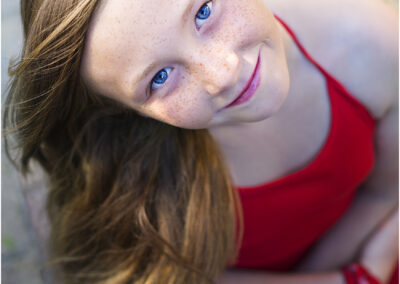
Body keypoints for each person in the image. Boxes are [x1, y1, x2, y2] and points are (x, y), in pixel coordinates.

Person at [4, 0, 398, 283]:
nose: (222, 73)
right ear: (127, 113)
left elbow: (384, 195)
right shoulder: (135, 176)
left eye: (203, 11)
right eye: (160, 78)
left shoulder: (375, 42)